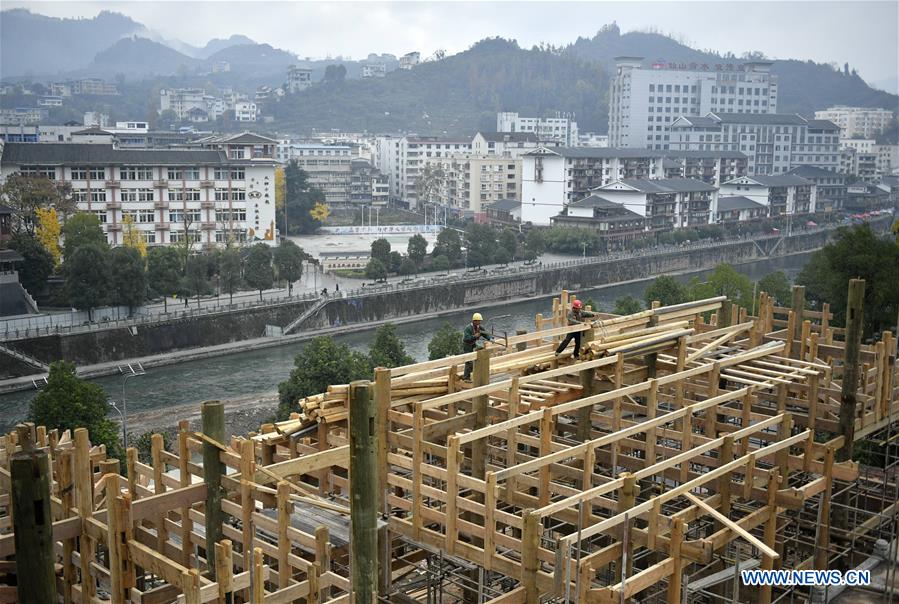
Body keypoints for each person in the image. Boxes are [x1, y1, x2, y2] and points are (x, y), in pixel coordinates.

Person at [462, 312, 493, 381]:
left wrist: (490, 338)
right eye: (478, 321)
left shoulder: (480, 327)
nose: (479, 323)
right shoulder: (468, 328)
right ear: (474, 321)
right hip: (467, 345)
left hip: (473, 344)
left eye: (480, 321)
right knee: (469, 361)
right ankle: (466, 377)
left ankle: (476, 372)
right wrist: (474, 336)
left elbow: (485, 334)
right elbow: (466, 338)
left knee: (481, 350)